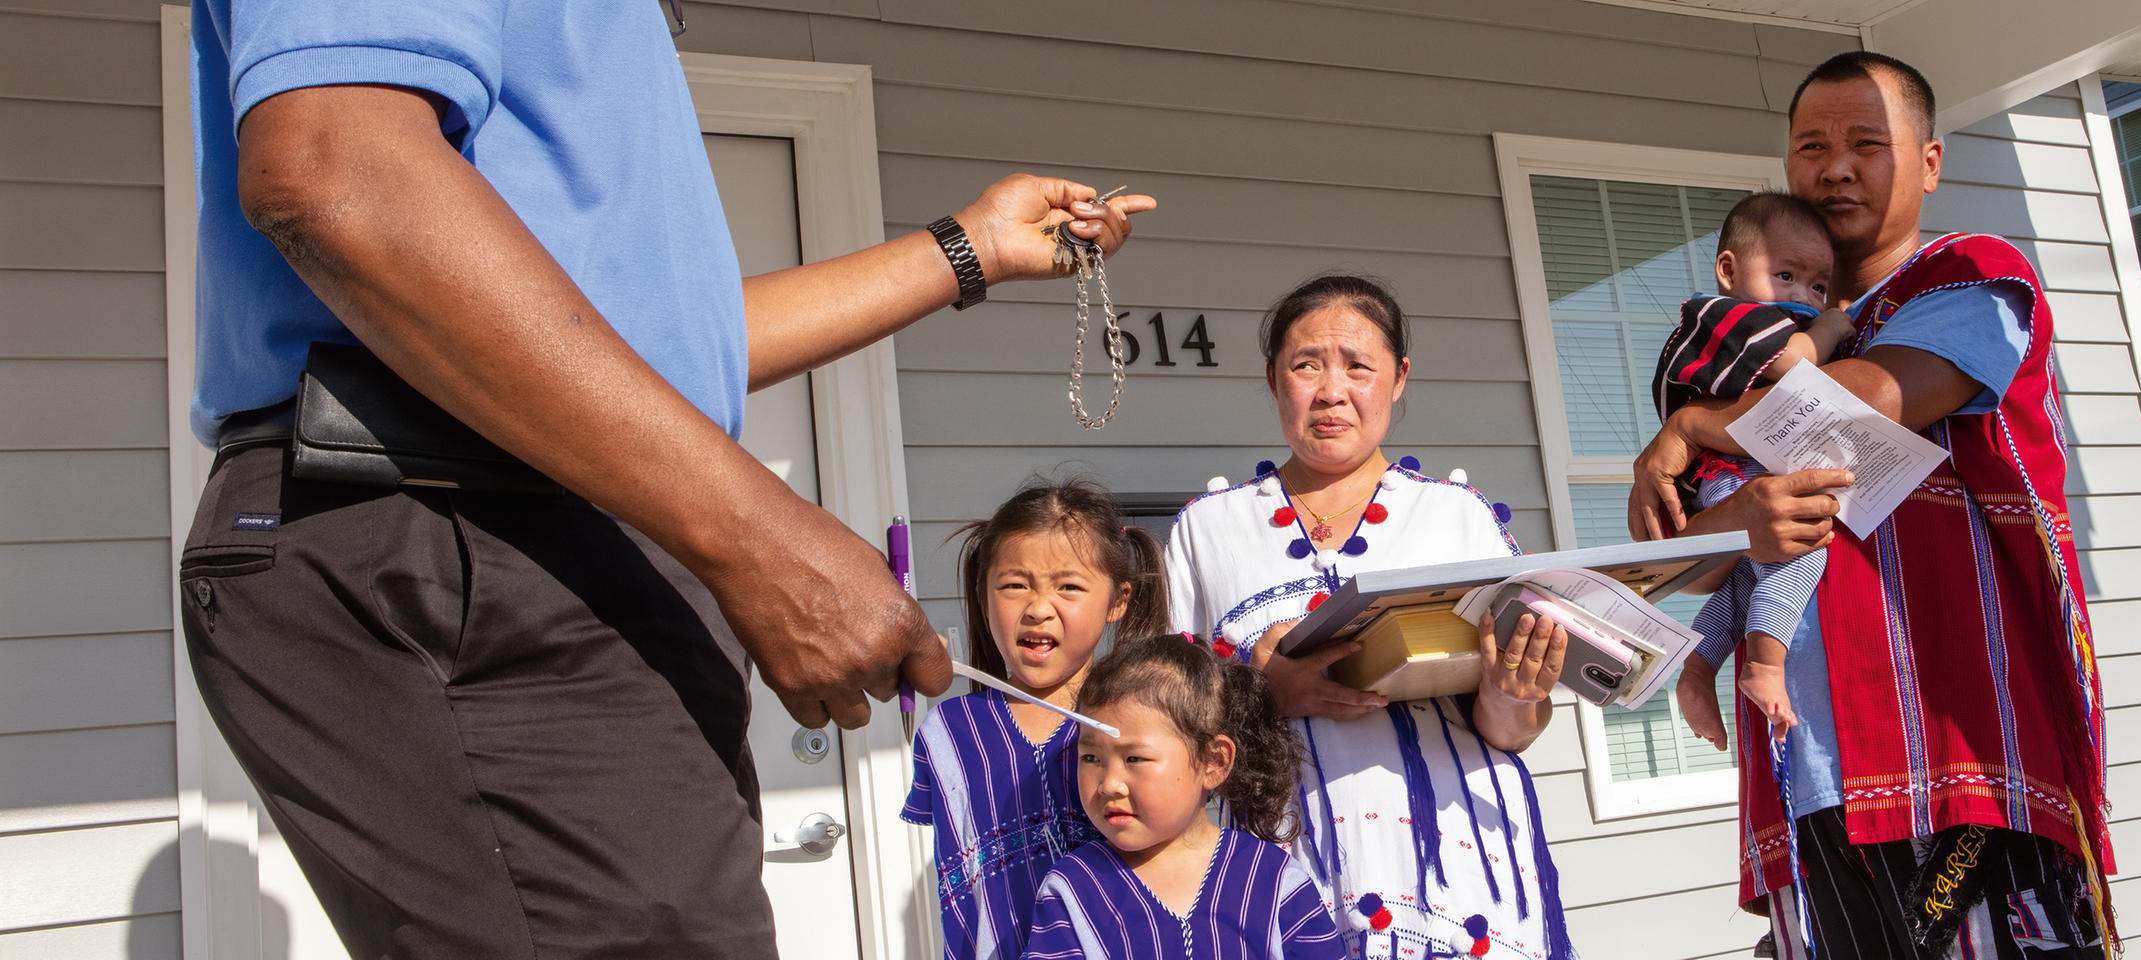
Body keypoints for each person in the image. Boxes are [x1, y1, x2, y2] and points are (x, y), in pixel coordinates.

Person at [179, 2, 1153, 955]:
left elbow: (653, 354)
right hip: (453, 524)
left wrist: (966, 249)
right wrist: (759, 538)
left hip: (550, 532)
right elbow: (335, 167)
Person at [1631, 53, 2115, 958]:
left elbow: (1847, 410)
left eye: (1867, 143)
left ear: (1928, 162)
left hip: (1960, 746)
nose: (1836, 166)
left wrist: (1691, 423)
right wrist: (1737, 514)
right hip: (1807, 762)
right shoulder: (1752, 341)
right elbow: (1686, 556)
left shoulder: (1971, 275)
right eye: (1812, 145)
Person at [1162, 275, 1575, 960]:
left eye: (1358, 366)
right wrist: (1261, 693)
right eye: (1306, 365)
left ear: (1399, 377)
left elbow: (1511, 731)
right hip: (1286, 878)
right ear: (1272, 379)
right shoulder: (1208, 529)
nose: (1332, 391)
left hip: (1464, 880)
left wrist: (1516, 693)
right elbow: (1163, 717)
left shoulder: (1456, 517)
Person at [904, 480, 1171, 960]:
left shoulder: (1146, 722)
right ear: (983, 595)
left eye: (1068, 586)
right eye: (1014, 585)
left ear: (1118, 600)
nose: (1038, 609)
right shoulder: (945, 733)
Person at [1647, 191, 1856, 746]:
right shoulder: (1730, 317)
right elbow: (1795, 364)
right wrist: (1834, 325)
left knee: (1743, 583)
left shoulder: (1749, 317)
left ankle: (1697, 666)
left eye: (1817, 285)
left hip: (1726, 479)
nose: (1802, 295)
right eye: (1784, 273)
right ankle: (1764, 665)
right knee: (1801, 545)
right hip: (1729, 477)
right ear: (1729, 270)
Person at [1021, 633, 1346, 960]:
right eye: (1090, 758)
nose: (1109, 784)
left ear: (1214, 761)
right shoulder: (1073, 889)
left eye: (1134, 759)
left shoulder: (1272, 880)